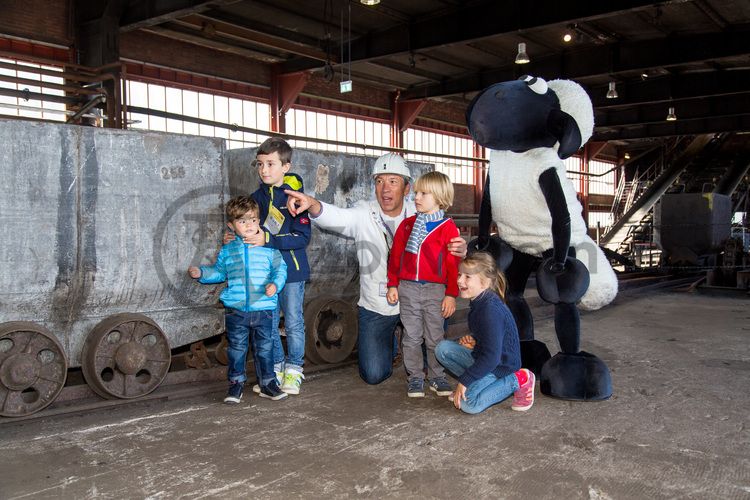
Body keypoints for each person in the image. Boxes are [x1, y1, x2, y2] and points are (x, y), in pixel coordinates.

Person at [285, 153, 467, 385]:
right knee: (373, 374)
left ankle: (411, 345)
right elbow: (337, 216)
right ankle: (392, 340)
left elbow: (450, 250)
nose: (385, 189)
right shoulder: (364, 213)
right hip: (378, 305)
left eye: (393, 181)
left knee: (433, 348)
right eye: (379, 181)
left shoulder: (420, 213)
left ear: (407, 188)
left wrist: (461, 251)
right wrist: (312, 204)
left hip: (419, 301)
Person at [228, 137, 312, 396]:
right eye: (260, 164)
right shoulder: (256, 198)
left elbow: (303, 237)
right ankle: (274, 369)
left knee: (294, 320)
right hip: (265, 272)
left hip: (293, 272)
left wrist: (269, 239)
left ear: (285, 167)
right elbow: (248, 227)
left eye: (271, 164)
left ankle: (295, 369)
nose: (264, 170)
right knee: (270, 322)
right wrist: (235, 235)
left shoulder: (296, 198)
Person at [189, 196, 288, 403]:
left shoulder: (269, 248)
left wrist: (275, 285)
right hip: (236, 310)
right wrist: (201, 273)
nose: (249, 225)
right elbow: (219, 272)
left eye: (253, 220)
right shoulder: (228, 250)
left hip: (264, 309)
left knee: (265, 348)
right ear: (231, 226)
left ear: (259, 221)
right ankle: (235, 385)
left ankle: (268, 383)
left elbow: (281, 270)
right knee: (236, 349)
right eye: (242, 221)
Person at [386, 171, 459, 398]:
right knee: (412, 336)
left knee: (435, 337)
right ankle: (415, 377)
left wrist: (451, 294)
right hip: (407, 288)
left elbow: (453, 264)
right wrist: (392, 284)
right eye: (416, 192)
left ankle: (437, 377)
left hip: (435, 290)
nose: (416, 197)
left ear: (439, 197)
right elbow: (395, 257)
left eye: (423, 193)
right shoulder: (407, 226)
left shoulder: (448, 228)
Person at [435, 251, 535, 414]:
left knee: (469, 405)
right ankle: (475, 386)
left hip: (500, 367)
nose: (459, 280)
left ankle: (519, 379)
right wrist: (474, 340)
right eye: (460, 275)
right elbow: (490, 336)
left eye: (467, 277)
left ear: (485, 282)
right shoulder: (478, 302)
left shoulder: (490, 310)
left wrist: (464, 381)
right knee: (443, 349)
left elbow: (492, 357)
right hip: (486, 360)